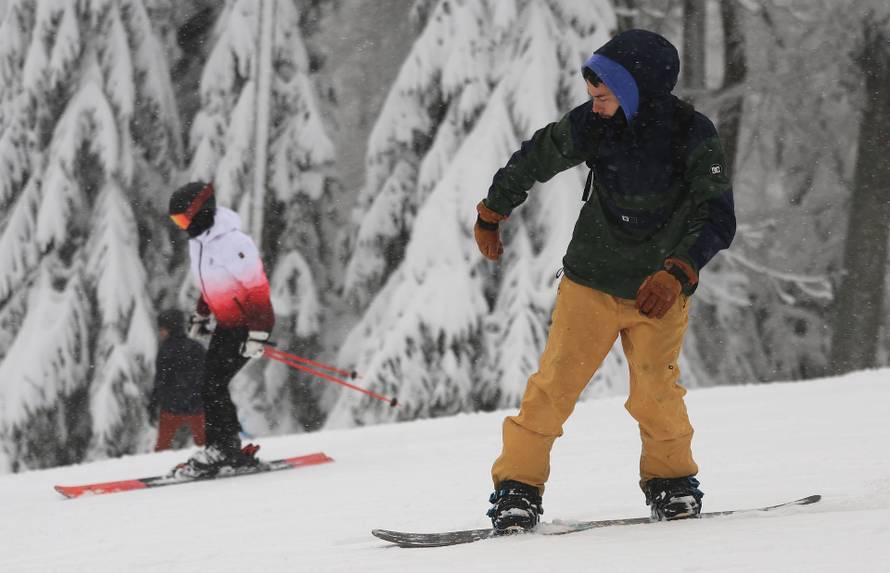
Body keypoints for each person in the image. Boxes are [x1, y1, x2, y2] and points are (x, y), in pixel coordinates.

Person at [476, 29, 736, 532]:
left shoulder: (692, 132)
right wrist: (493, 209)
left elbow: (717, 215)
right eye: (592, 96)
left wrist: (677, 271)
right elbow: (538, 155)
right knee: (553, 388)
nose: (593, 106)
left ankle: (673, 485)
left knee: (655, 395)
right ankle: (517, 492)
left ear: (638, 90)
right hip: (590, 283)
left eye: (603, 96)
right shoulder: (594, 126)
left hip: (657, 294)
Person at [167, 181, 275, 478]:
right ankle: (225, 447)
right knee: (210, 384)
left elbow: (258, 290)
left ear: (201, 211)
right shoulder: (199, 241)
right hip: (227, 324)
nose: (182, 227)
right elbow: (211, 284)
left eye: (184, 219)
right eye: (177, 222)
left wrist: (258, 333)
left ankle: (224, 448)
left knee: (212, 384)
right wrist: (201, 315)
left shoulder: (234, 243)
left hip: (247, 324)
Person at [149, 309, 207, 452]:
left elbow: (160, 380)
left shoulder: (165, 350)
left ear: (169, 329)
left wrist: (153, 403)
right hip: (196, 404)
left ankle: (157, 468)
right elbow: (208, 377)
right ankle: (212, 463)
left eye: (161, 329)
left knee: (163, 445)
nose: (160, 333)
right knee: (205, 442)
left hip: (172, 406)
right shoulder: (196, 347)